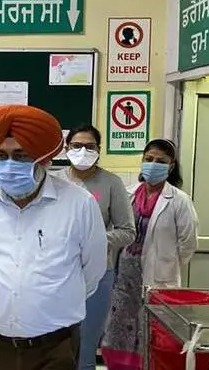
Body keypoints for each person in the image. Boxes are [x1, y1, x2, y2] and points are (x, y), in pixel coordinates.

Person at [0, 105, 108, 370]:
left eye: (20, 156)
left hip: (54, 347)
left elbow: (93, 271)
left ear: (44, 160)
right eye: (2, 156)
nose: (9, 165)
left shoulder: (79, 204)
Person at [101, 139, 198, 370]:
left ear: (171, 166)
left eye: (161, 161)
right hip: (124, 278)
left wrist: (167, 264)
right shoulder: (128, 194)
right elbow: (117, 231)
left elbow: (188, 243)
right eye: (149, 159)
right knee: (119, 331)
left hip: (158, 278)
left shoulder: (179, 201)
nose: (153, 164)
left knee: (152, 333)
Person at [60, 125, 135, 370]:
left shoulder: (111, 183)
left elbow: (128, 231)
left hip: (99, 272)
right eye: (76, 146)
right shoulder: (55, 181)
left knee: (85, 344)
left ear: (99, 150)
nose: (83, 151)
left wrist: (96, 239)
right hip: (57, 273)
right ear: (66, 149)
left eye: (89, 147)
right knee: (55, 344)